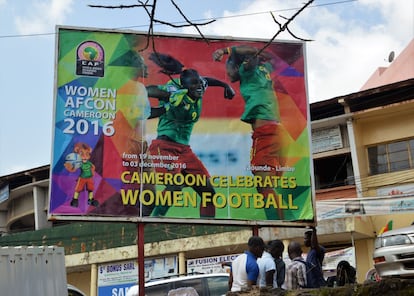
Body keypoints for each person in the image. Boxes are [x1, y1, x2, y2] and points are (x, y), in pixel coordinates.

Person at [146, 53, 235, 218]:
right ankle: (153, 223)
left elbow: (207, 80)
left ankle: (207, 228)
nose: (199, 88)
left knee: (208, 192)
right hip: (164, 148)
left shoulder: (200, 86)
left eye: (200, 83)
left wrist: (225, 85)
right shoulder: (174, 90)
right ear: (184, 87)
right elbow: (148, 90)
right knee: (174, 187)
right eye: (194, 85)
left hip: (185, 150)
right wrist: (168, 99)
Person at [212, 45, 288, 220]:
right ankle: (280, 224)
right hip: (274, 132)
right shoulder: (264, 68)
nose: (228, 73)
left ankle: (277, 225)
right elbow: (263, 54)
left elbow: (251, 53)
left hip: (267, 133)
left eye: (229, 67)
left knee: (263, 184)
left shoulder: (247, 68)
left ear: (239, 64)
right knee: (266, 185)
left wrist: (225, 51)